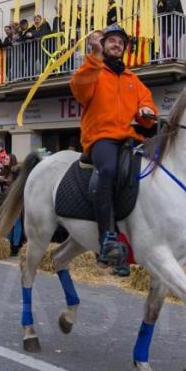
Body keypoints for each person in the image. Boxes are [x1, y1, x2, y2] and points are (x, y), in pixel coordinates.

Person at [70, 24, 157, 264]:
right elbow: (79, 90)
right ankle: (106, 236)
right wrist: (94, 56)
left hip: (130, 138)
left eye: (121, 42)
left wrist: (147, 112)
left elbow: (147, 107)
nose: (117, 44)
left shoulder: (133, 79)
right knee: (107, 170)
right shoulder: (94, 71)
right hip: (101, 136)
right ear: (104, 45)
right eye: (112, 41)